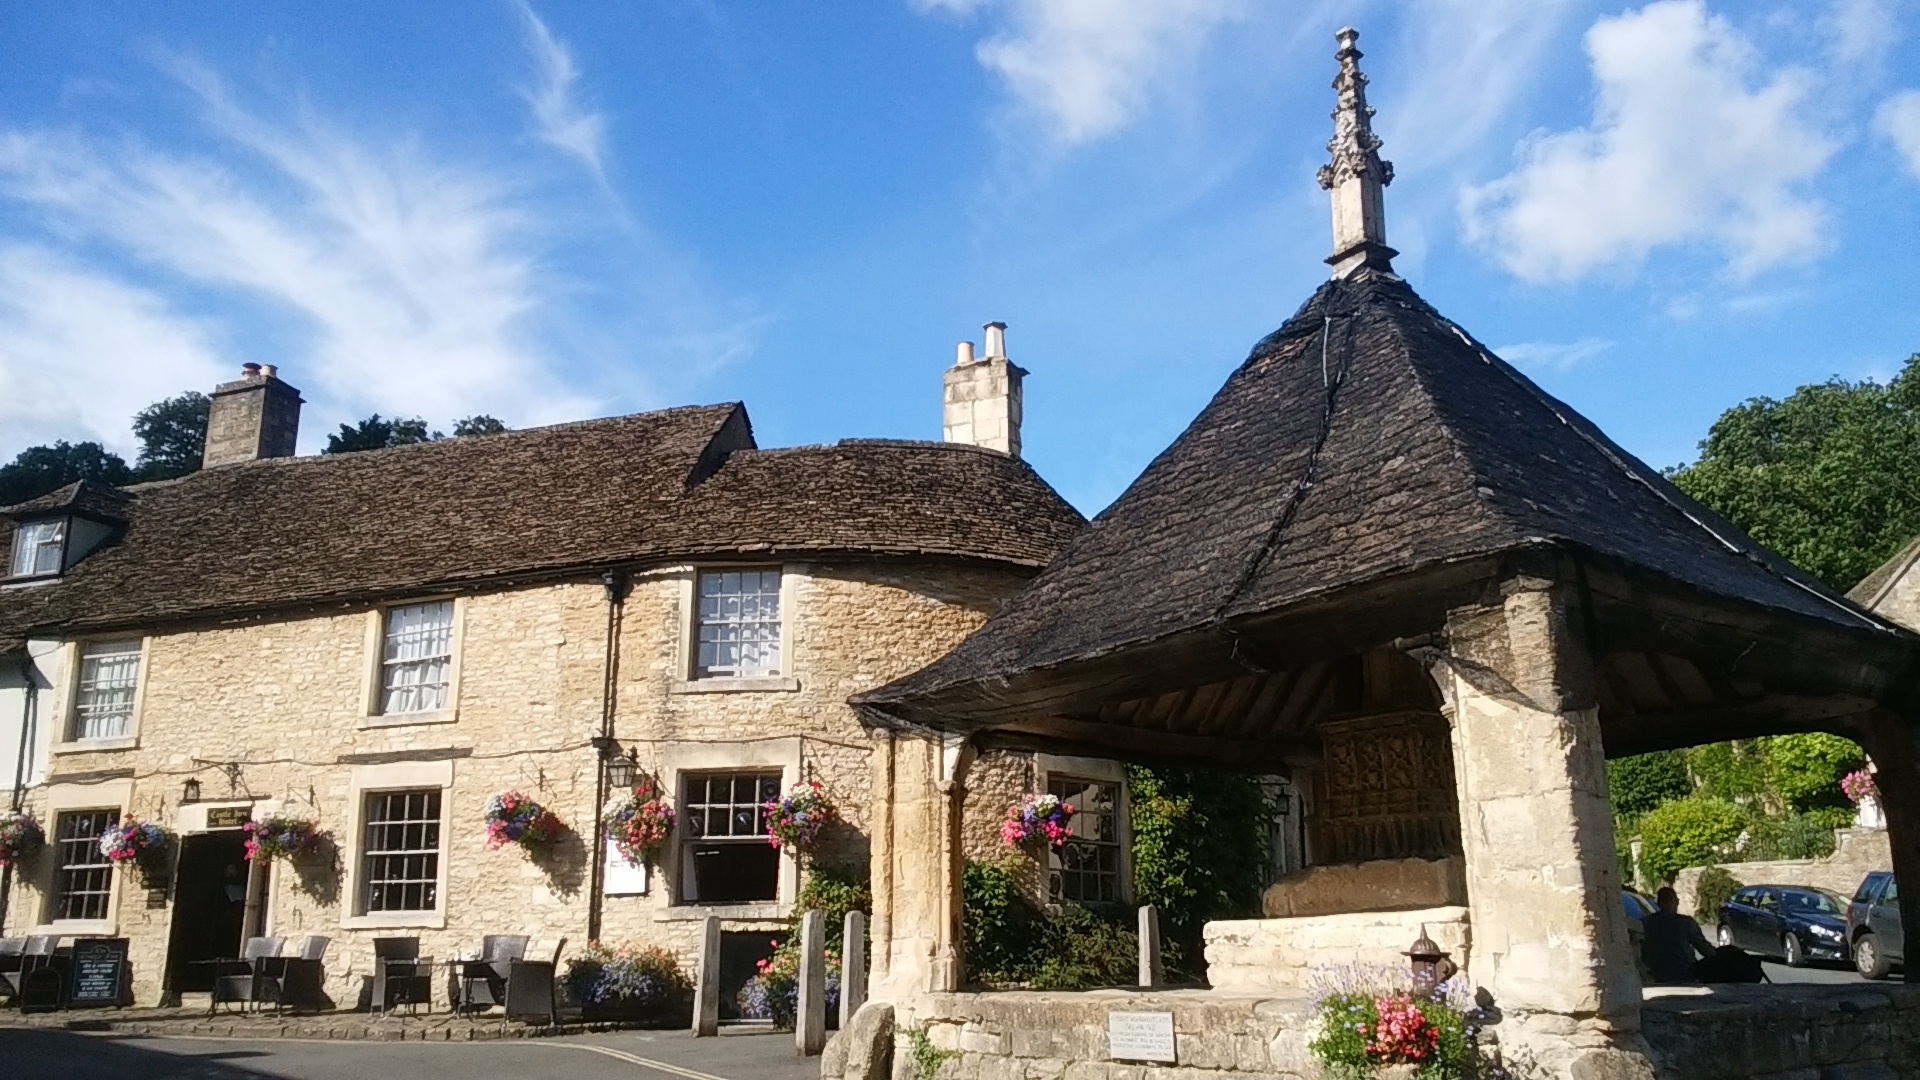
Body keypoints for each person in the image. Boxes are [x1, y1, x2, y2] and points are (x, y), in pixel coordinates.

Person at [1641, 886, 1715, 984]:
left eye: (1669, 899)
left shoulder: (1646, 923)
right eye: (1666, 899)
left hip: (1657, 974)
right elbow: (1703, 948)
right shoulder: (1685, 923)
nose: (1668, 903)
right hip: (1684, 973)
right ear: (1677, 902)